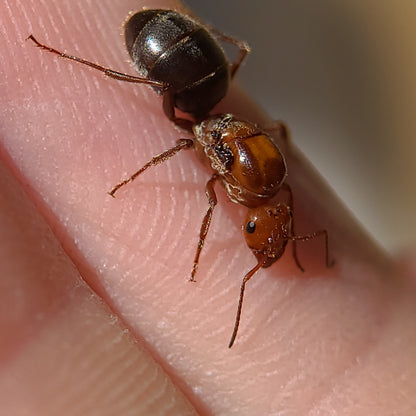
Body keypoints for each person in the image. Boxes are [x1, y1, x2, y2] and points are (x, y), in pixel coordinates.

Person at [1, 0, 415, 414]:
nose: (258, 233)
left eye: (257, 231)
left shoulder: (275, 181)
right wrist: (137, 176)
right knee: (170, 109)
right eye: (258, 230)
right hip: (178, 62)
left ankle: (192, 40)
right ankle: (62, 56)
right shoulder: (253, 182)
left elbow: (268, 153)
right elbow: (213, 192)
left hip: (205, 75)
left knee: (242, 51)